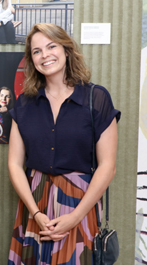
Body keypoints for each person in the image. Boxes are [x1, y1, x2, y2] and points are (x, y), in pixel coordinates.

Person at [7, 23, 120, 264]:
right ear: (32, 59)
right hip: (35, 205)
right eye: (37, 51)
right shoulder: (24, 104)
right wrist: (36, 213)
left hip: (81, 204)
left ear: (66, 50)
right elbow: (15, 165)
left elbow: (108, 166)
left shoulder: (96, 98)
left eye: (51, 46)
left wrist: (76, 216)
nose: (44, 55)